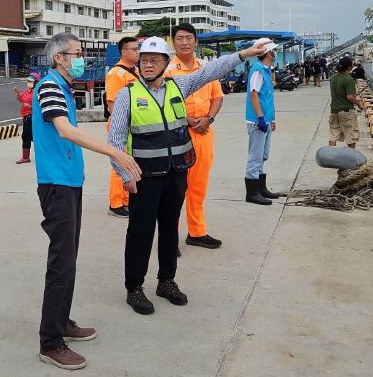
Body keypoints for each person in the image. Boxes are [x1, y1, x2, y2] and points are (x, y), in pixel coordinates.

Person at [109, 36, 272, 316]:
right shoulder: (128, 94)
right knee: (140, 232)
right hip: (145, 178)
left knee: (169, 229)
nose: (148, 65)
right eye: (144, 60)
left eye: (154, 60)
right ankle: (134, 287)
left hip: (175, 174)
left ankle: (166, 281)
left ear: (165, 63)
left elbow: (212, 70)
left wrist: (245, 53)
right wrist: (125, 175)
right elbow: (115, 141)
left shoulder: (179, 85)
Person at [33, 33, 143, 371]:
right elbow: (65, 131)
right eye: (77, 53)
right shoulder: (49, 87)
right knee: (62, 262)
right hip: (56, 186)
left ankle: (61, 321)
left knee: (69, 259)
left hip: (69, 183)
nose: (81, 59)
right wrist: (114, 152)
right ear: (59, 58)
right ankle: (51, 342)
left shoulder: (64, 88)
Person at [166, 24, 224, 250]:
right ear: (173, 42)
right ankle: (170, 239)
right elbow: (165, 103)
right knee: (175, 189)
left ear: (196, 41)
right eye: (179, 38)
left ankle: (197, 232)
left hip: (204, 132)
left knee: (198, 186)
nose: (184, 42)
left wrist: (209, 118)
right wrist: (189, 120)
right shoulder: (168, 71)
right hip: (178, 134)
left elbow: (217, 97)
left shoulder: (206, 68)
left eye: (188, 38)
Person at [104, 37, 140, 218]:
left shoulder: (136, 71)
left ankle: (125, 199)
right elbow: (112, 104)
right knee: (119, 162)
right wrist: (122, 126)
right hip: (121, 126)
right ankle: (116, 203)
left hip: (134, 125)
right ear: (124, 52)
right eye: (134, 49)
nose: (137, 52)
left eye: (138, 49)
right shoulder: (116, 74)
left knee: (129, 163)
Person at [245, 39, 281, 206]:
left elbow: (267, 97)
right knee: (255, 156)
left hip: (265, 120)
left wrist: (271, 119)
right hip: (257, 120)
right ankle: (252, 193)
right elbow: (254, 94)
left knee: (263, 155)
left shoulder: (266, 70)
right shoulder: (258, 70)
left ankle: (260, 188)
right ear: (267, 53)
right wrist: (260, 117)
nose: (274, 53)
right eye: (273, 51)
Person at [328, 57, 365, 149]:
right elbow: (350, 97)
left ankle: (331, 154)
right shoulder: (349, 79)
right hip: (346, 111)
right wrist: (359, 104)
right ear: (349, 67)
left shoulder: (333, 77)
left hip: (334, 110)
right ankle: (351, 155)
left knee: (333, 134)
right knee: (351, 135)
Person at [13, 72, 40, 164]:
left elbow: (40, 106)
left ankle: (26, 157)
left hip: (32, 117)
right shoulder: (28, 91)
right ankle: (26, 157)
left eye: (31, 81)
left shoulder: (37, 92)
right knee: (29, 136)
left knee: (28, 136)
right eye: (28, 81)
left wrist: (30, 107)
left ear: (36, 82)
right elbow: (22, 99)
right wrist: (17, 94)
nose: (28, 83)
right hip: (26, 117)